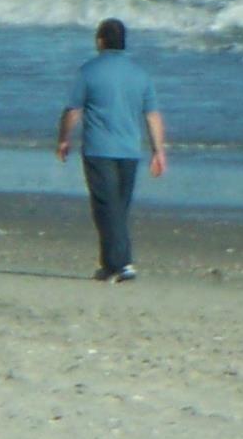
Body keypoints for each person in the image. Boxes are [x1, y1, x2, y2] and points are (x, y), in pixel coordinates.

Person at [56, 18, 167, 283]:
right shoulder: (139, 74)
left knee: (107, 208)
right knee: (117, 208)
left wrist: (63, 139)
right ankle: (109, 265)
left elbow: (73, 111)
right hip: (129, 150)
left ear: (100, 41)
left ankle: (123, 263)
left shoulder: (89, 71)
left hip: (99, 149)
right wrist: (158, 151)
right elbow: (152, 115)